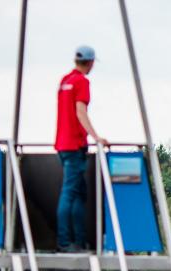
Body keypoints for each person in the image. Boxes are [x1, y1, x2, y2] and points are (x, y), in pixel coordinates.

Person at [55, 45, 107, 252]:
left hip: (61, 144)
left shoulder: (65, 81)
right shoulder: (81, 82)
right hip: (75, 145)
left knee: (78, 193)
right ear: (91, 62)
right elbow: (80, 112)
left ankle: (80, 240)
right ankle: (65, 241)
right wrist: (97, 137)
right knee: (69, 193)